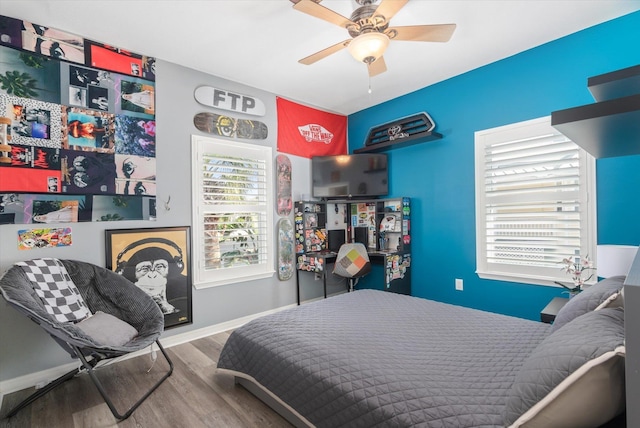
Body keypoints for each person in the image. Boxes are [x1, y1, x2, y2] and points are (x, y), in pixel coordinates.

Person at [119, 245, 187, 316]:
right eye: (144, 268)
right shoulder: (123, 295)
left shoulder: (183, 292)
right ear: (134, 274)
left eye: (160, 267)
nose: (152, 274)